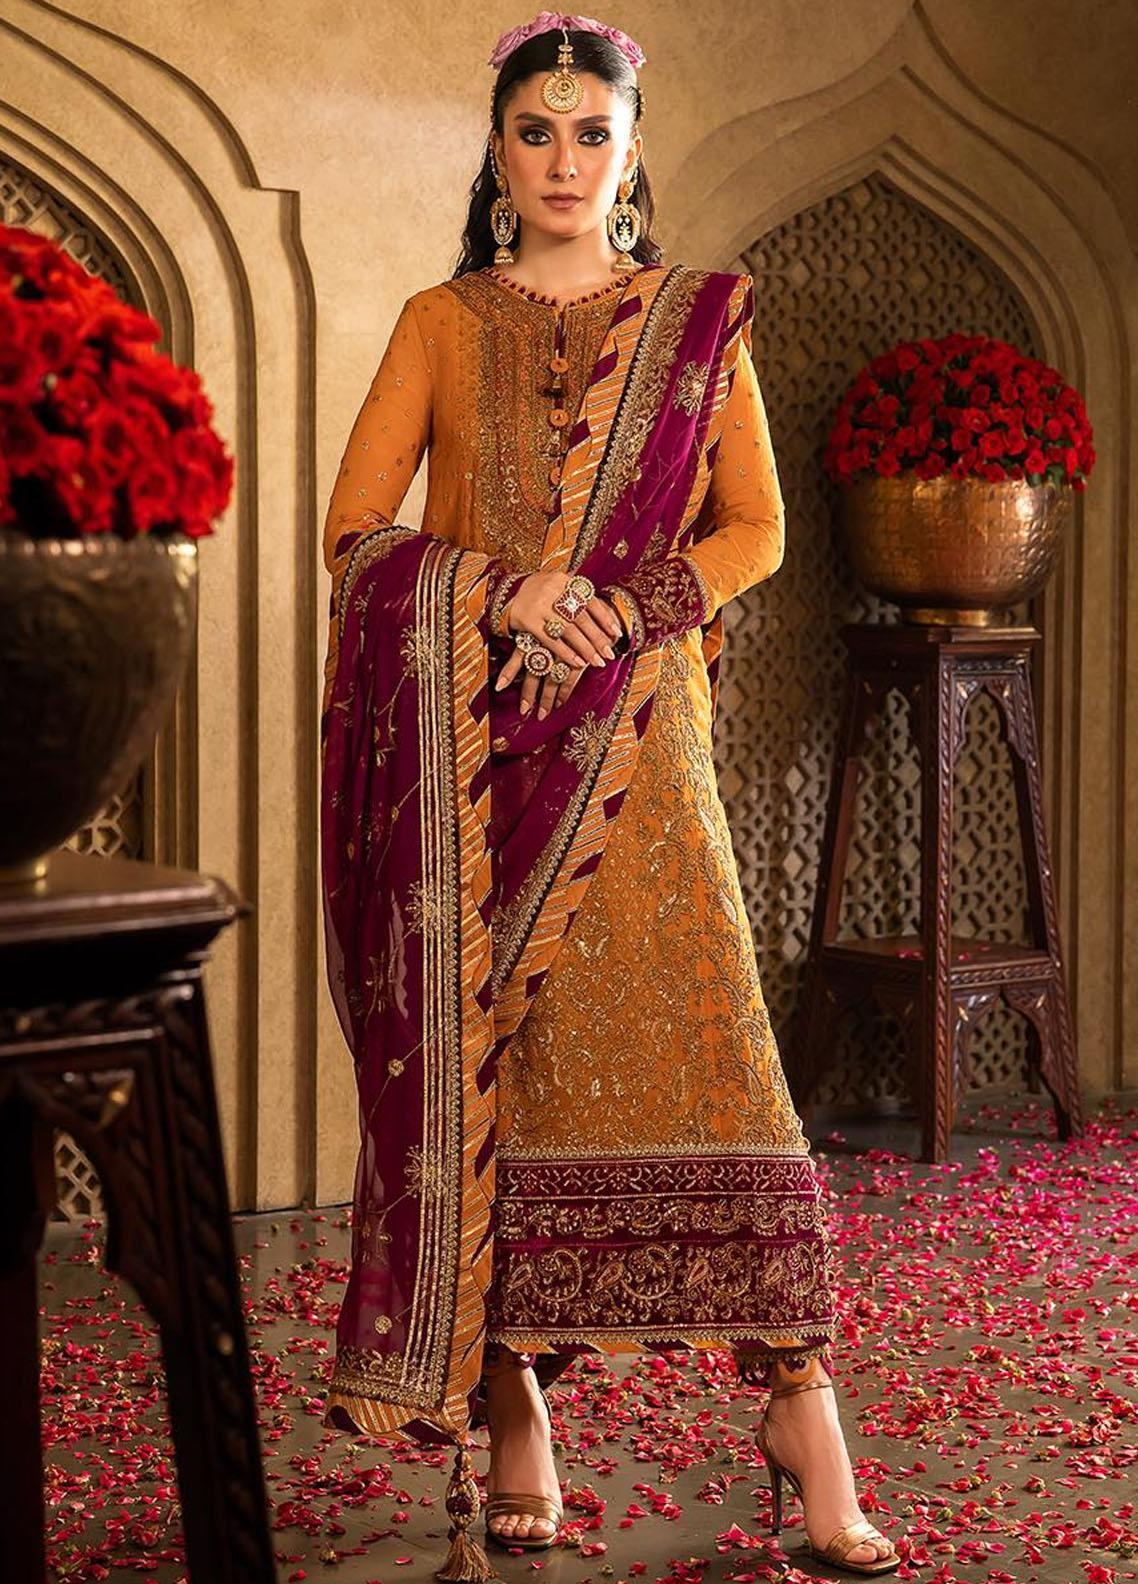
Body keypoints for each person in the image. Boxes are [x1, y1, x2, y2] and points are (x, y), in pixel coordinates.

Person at [319, 12, 903, 1579]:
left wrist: (630, 610)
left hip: (644, 743)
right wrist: (506, 593)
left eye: (592, 134)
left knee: (723, 1067)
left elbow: (754, 528)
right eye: (536, 131)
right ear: (496, 149)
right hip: (482, 764)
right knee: (502, 1074)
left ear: (631, 150)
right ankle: (512, 1396)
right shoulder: (442, 322)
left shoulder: (696, 322)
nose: (564, 162)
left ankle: (800, 1407)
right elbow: (355, 531)